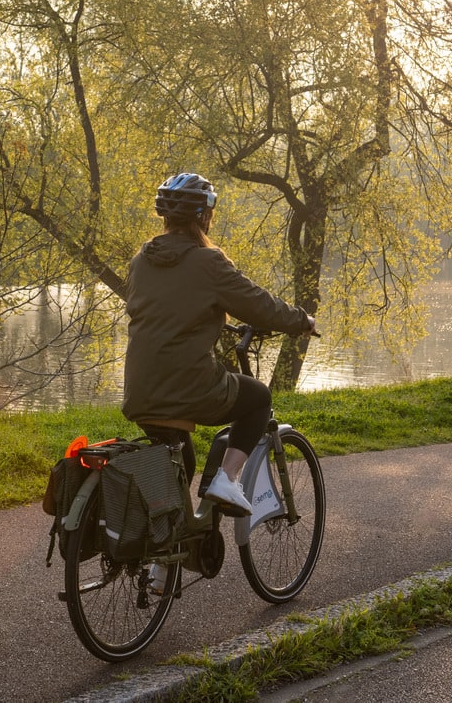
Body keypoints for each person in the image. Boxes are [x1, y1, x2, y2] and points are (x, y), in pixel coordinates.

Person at [121, 172, 316, 515]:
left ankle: (167, 559)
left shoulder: (139, 262)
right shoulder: (208, 262)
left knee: (181, 461)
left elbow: (159, 311)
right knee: (258, 397)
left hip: (140, 389)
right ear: (204, 215)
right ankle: (226, 479)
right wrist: (301, 321)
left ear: (165, 217)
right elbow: (259, 304)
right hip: (189, 387)